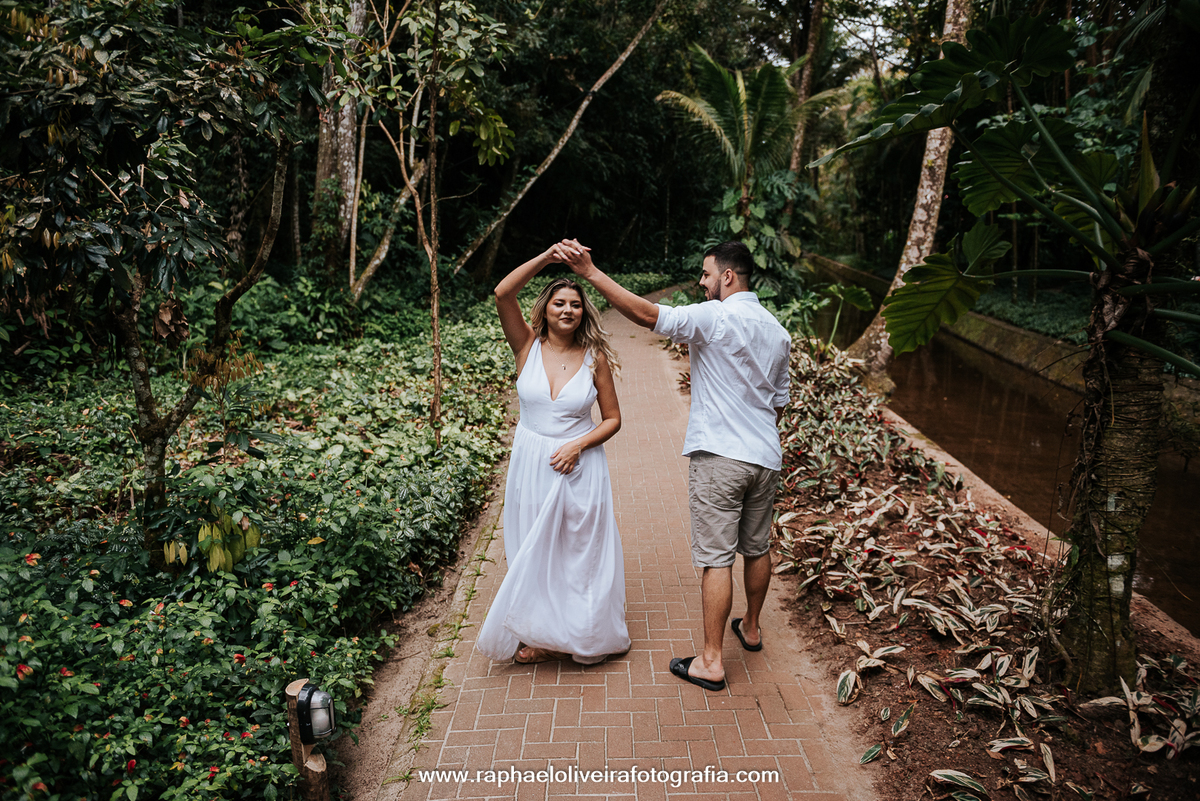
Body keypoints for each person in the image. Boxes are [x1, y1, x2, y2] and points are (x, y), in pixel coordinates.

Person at [553, 239, 790, 691]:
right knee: (757, 547)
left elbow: (648, 316)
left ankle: (712, 662)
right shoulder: (778, 331)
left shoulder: (715, 317)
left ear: (727, 276)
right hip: (765, 457)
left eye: (705, 274)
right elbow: (778, 404)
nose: (701, 283)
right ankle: (752, 628)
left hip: (720, 457)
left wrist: (591, 274)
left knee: (716, 559)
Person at [474, 246, 632, 665]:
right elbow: (503, 294)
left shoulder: (595, 357)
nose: (568, 310)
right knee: (532, 547)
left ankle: (585, 632)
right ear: (545, 310)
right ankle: (540, 634)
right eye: (560, 303)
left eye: (576, 305)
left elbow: (613, 419)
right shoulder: (525, 345)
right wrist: (546, 257)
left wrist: (579, 444)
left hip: (580, 467)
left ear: (584, 312)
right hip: (531, 463)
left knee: (580, 552)